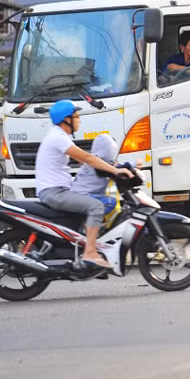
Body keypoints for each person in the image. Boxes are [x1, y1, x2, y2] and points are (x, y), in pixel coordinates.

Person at [35, 100, 131, 269]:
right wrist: (116, 172)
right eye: (76, 116)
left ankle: (82, 243)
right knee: (96, 206)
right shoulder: (58, 138)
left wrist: (114, 166)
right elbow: (88, 158)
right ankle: (90, 253)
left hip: (57, 190)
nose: (79, 120)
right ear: (66, 120)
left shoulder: (57, 136)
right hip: (56, 192)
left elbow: (84, 160)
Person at [71, 133, 120, 218]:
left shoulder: (94, 159)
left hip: (79, 195)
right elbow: (114, 168)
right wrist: (132, 165)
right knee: (109, 202)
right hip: (84, 196)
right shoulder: (97, 164)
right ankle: (90, 225)